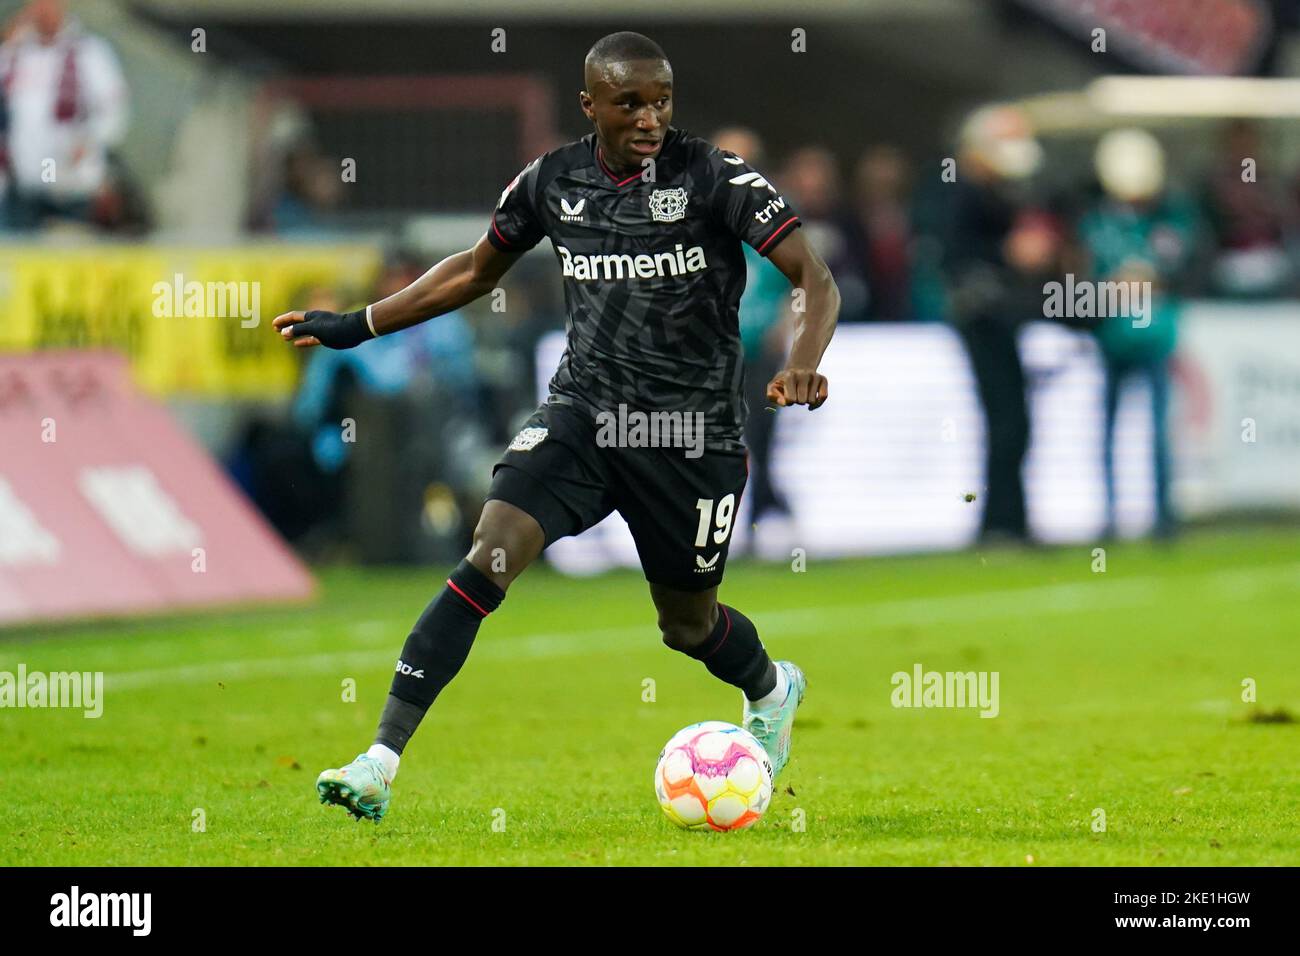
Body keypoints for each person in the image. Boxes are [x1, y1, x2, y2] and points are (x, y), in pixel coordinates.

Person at [273, 31, 840, 822]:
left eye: (661, 101)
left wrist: (805, 357)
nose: (649, 118)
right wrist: (358, 324)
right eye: (630, 102)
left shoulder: (712, 176)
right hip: (585, 418)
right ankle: (378, 761)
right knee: (488, 554)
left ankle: (771, 688)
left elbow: (813, 275)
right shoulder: (552, 180)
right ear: (591, 106)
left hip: (691, 438)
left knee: (687, 625)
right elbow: (475, 269)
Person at [0, 0, 128, 230]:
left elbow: (113, 111)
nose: (42, 11)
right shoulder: (14, 54)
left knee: (79, 257)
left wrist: (88, 141)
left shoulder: (90, 52)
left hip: (73, 185)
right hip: (24, 186)